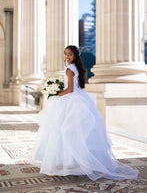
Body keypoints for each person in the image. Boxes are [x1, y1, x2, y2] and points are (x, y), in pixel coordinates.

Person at [30, 45, 139, 181]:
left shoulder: (70, 69)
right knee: (73, 131)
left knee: (64, 130)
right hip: (78, 98)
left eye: (70, 54)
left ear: (75, 56)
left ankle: (68, 162)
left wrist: (57, 93)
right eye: (66, 54)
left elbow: (69, 89)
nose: (67, 56)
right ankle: (73, 162)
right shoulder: (76, 68)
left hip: (70, 100)